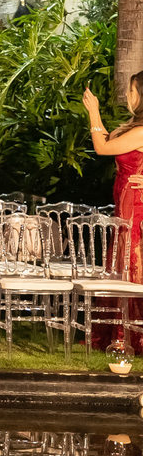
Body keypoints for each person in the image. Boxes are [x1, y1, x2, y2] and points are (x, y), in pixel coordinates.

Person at [83, 72, 143, 346]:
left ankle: (131, 333)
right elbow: (111, 141)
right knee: (121, 260)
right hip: (125, 201)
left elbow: (102, 147)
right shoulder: (135, 127)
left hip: (137, 206)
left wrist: (94, 112)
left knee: (132, 261)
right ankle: (118, 329)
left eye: (131, 91)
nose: (128, 97)